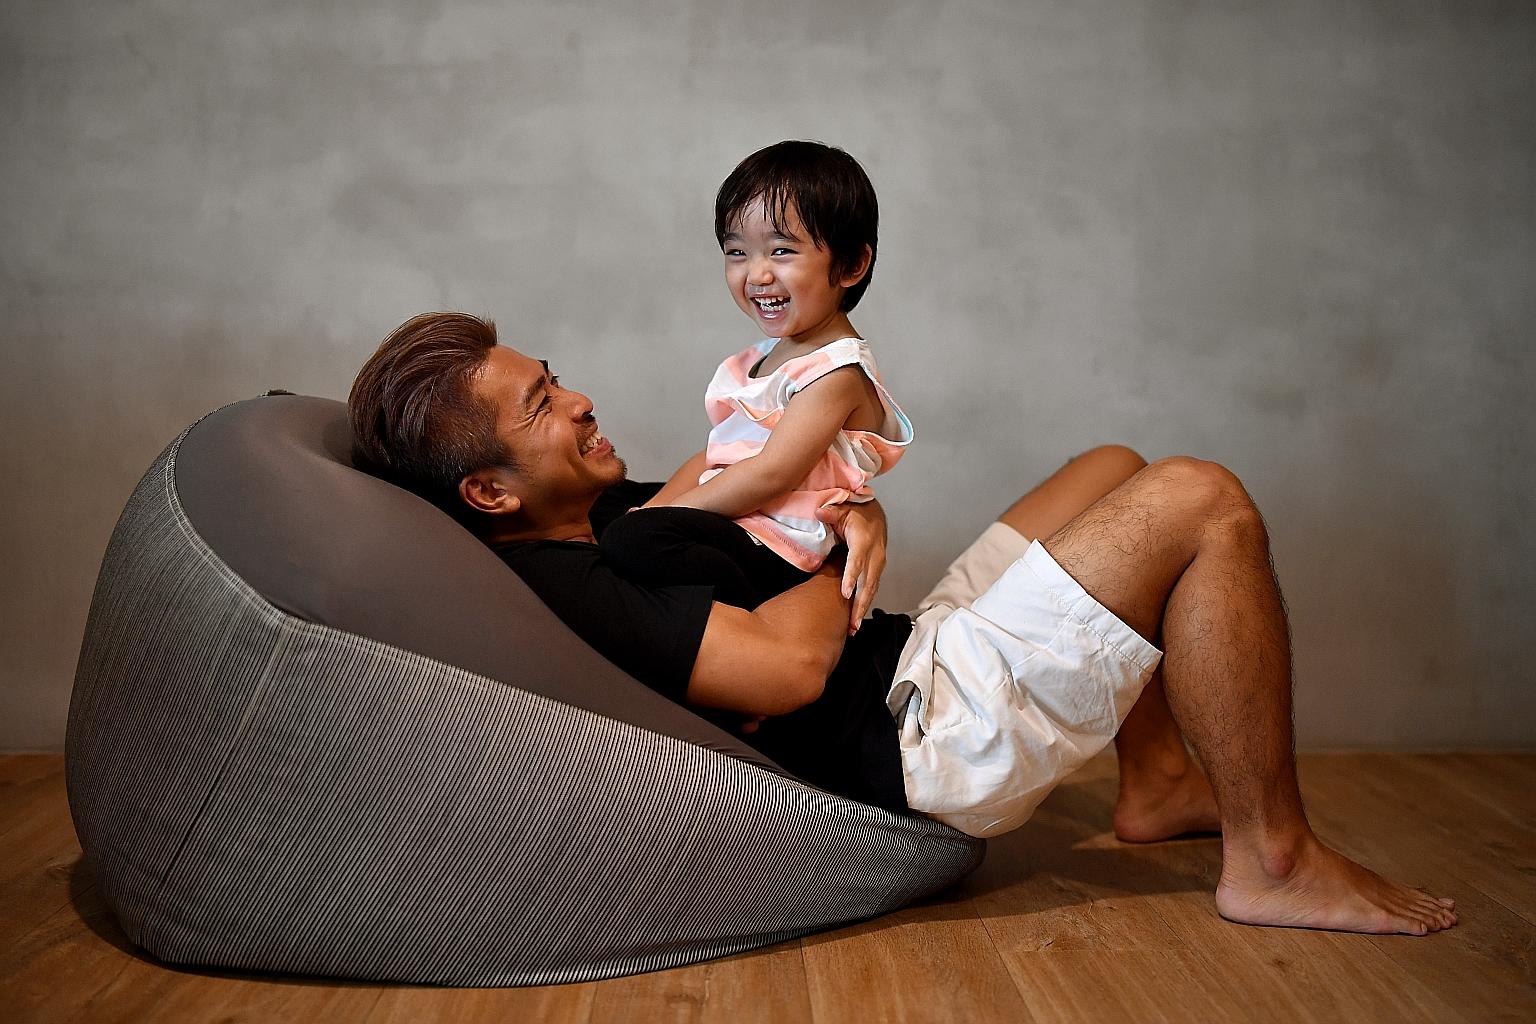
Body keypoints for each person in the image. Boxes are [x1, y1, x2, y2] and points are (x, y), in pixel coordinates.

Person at [349, 312, 1458, 936]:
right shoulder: (571, 585)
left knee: (1112, 469)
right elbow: (786, 670)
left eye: (553, 377)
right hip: (918, 736)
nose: (579, 398)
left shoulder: (596, 512)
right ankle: (1272, 859)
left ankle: (1160, 780)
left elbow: (741, 478)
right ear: (488, 493)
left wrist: (847, 499)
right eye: (543, 405)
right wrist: (834, 534)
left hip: (906, 655)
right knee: (1201, 498)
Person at [607, 141, 912, 630]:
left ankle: (743, 616)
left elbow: (772, 473)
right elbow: (713, 456)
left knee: (632, 541)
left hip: (777, 552)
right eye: (737, 252)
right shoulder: (768, 357)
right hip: (742, 529)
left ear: (852, 264)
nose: (757, 274)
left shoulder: (835, 373)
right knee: (619, 518)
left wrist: (659, 521)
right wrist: (655, 508)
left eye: (782, 251)